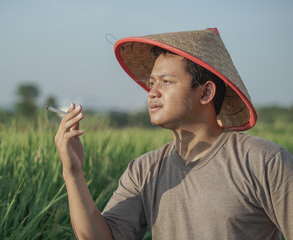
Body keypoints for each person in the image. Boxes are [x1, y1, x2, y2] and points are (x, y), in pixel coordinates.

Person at [54, 28, 293, 240]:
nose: (152, 92)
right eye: (151, 83)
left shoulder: (264, 161)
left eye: (166, 82)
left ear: (206, 92)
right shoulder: (144, 170)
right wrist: (73, 172)